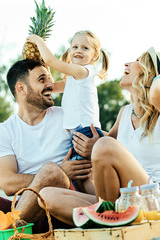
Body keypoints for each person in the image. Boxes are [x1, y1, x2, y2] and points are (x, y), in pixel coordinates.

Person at [0, 59, 95, 240]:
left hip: (61, 207)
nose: (50, 84)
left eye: (50, 79)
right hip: (24, 213)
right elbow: (7, 183)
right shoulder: (3, 131)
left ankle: (5, 235)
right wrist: (59, 171)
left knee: (51, 171)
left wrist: (91, 147)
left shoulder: (66, 116)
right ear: (21, 88)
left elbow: (98, 136)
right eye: (42, 79)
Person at [37, 47, 160, 226]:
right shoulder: (125, 112)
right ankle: (109, 216)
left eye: (137, 60)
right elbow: (108, 151)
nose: (127, 63)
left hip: (158, 198)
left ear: (150, 73)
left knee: (104, 145)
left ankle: (108, 218)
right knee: (46, 196)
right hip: (123, 198)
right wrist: (91, 144)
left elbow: (157, 94)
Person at [26, 30, 109, 191]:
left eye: (85, 48)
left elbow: (50, 60)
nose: (78, 50)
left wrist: (38, 41)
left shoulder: (84, 71)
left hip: (84, 131)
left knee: (84, 178)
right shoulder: (74, 78)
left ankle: (103, 205)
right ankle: (94, 206)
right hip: (78, 132)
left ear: (95, 55)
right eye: (75, 47)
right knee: (79, 179)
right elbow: (53, 87)